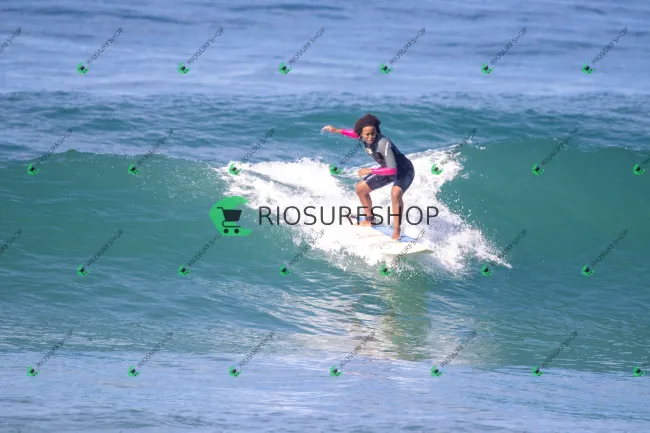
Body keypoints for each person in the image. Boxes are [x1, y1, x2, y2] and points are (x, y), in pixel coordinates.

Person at [321, 114, 415, 240]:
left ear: (377, 131)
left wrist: (370, 170)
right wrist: (336, 130)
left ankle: (397, 231)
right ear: (361, 134)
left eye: (373, 133)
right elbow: (353, 134)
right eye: (367, 134)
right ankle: (370, 220)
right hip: (386, 169)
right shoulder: (362, 136)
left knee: (395, 194)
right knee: (360, 189)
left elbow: (392, 169)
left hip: (404, 170)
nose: (370, 137)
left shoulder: (383, 143)